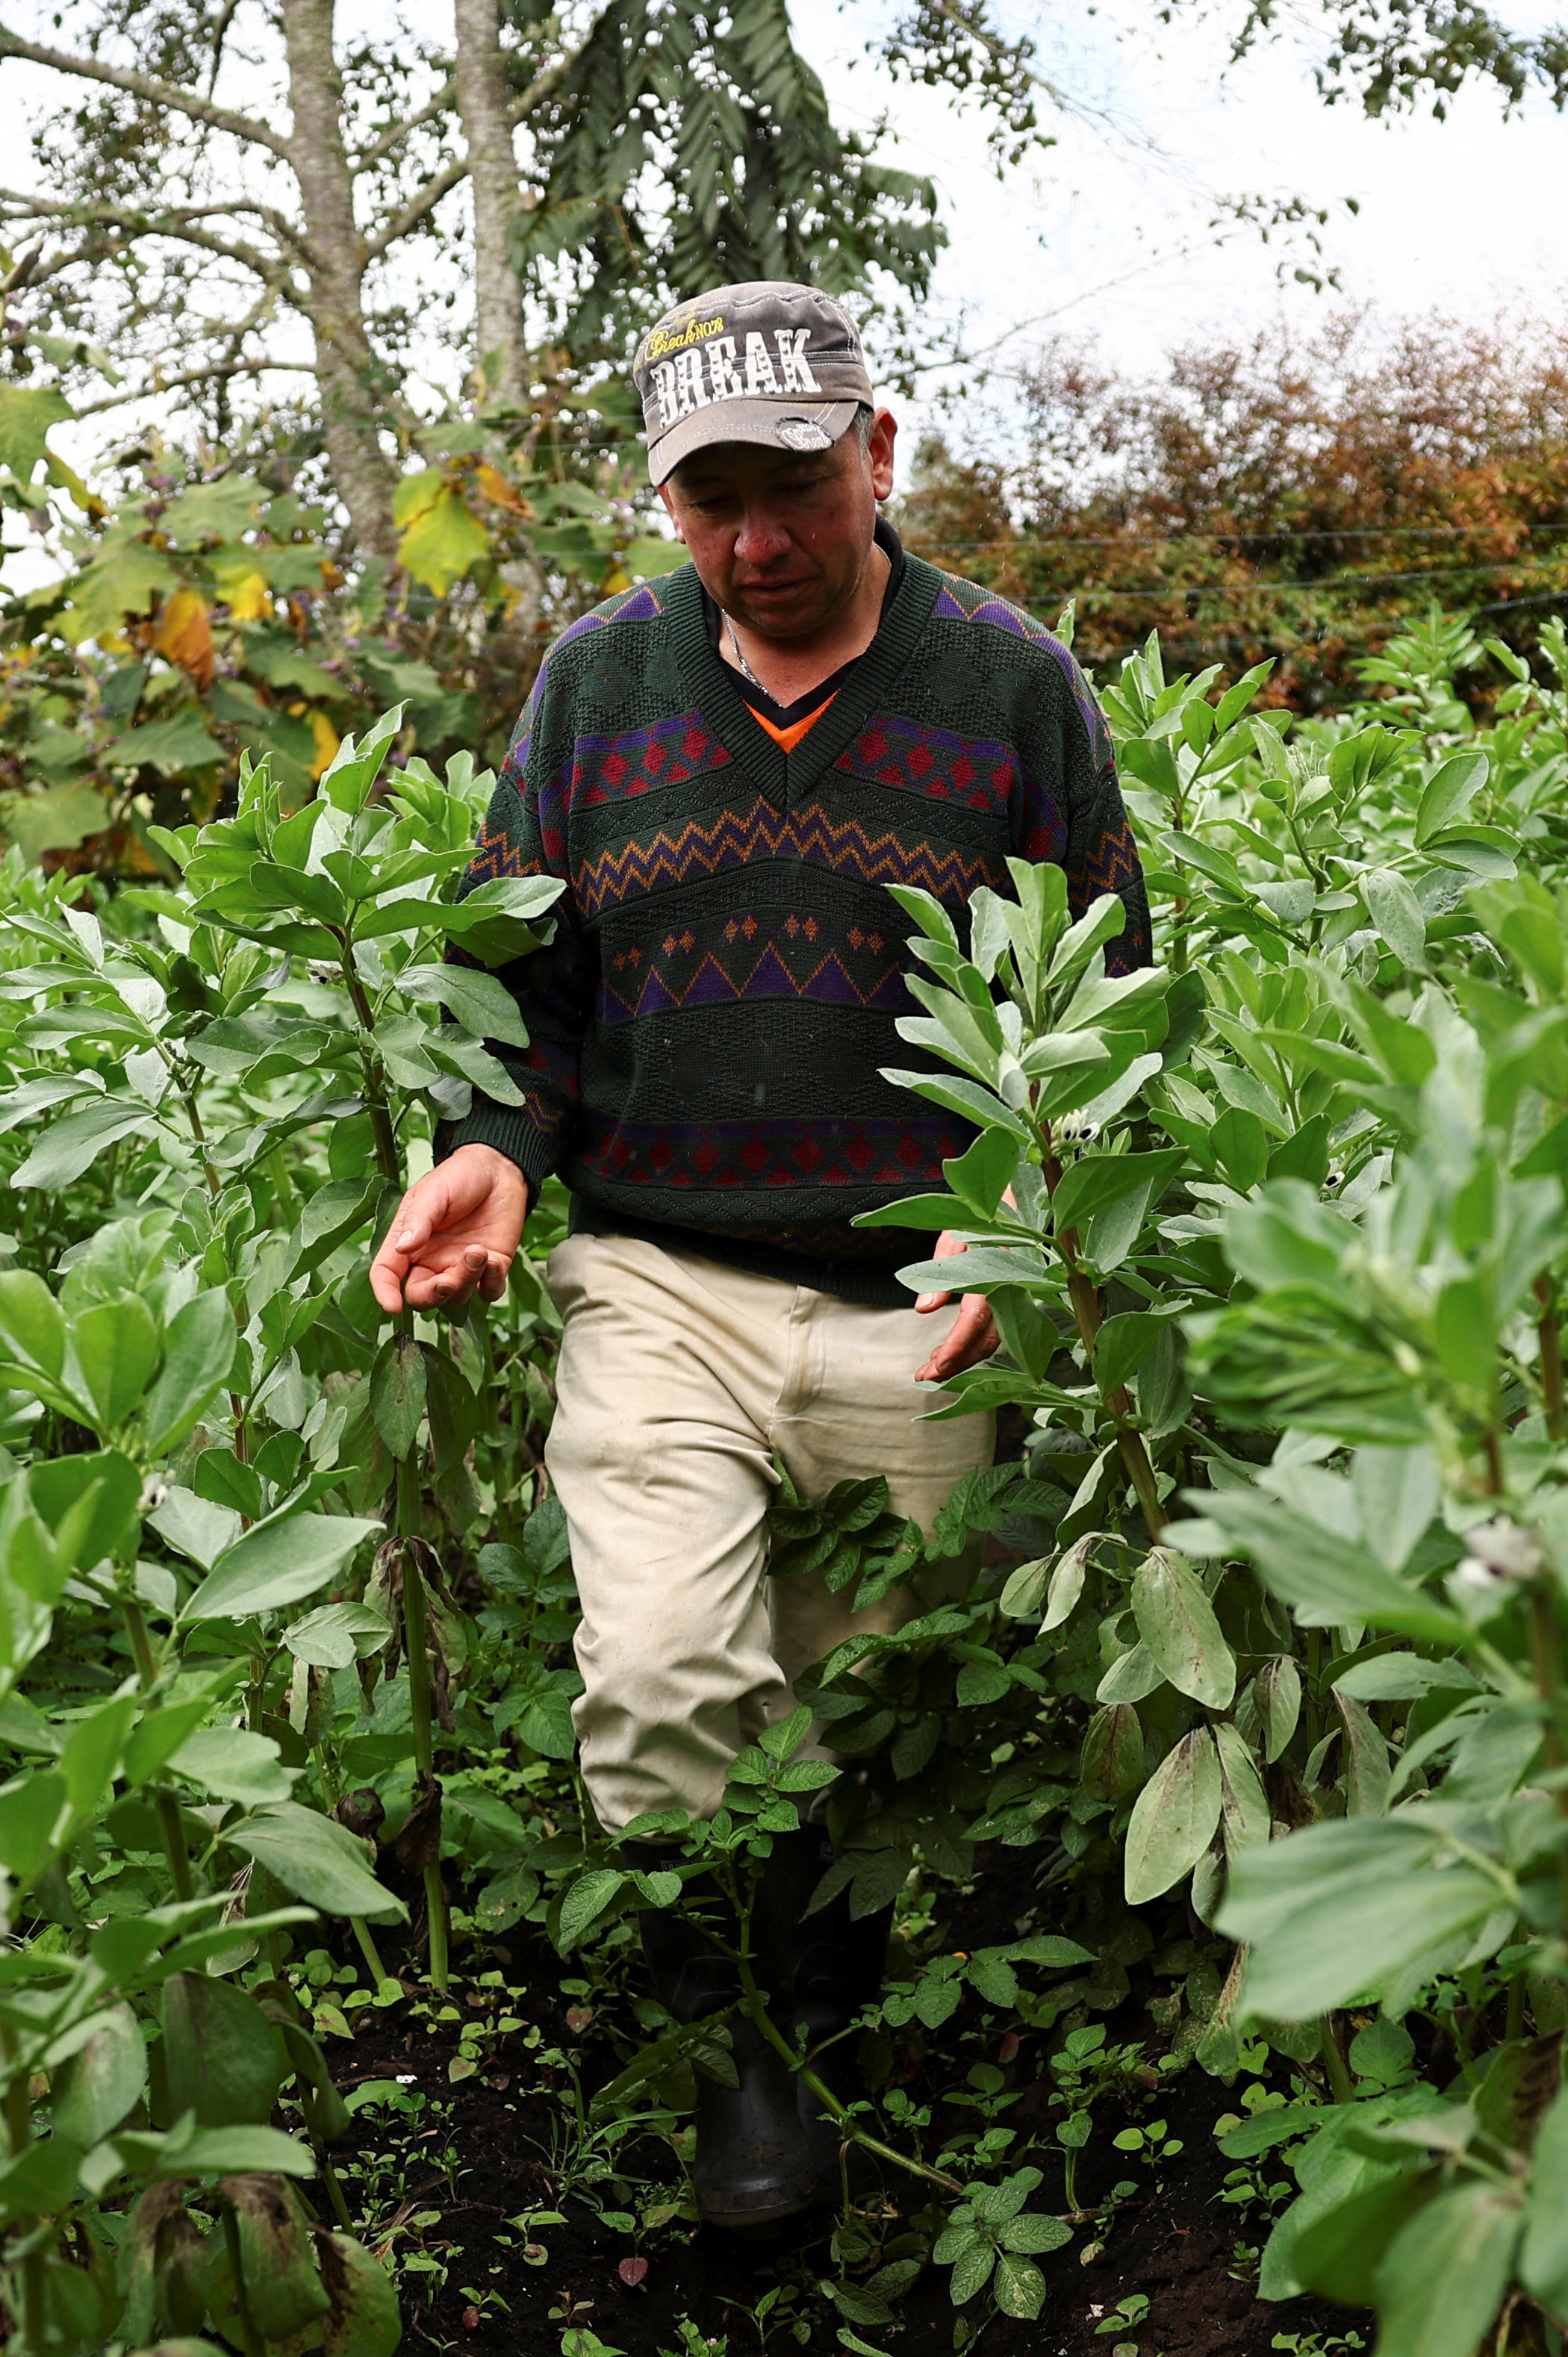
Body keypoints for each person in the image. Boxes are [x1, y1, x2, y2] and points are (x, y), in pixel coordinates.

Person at [364, 279, 1154, 2226]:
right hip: (660, 1277)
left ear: (876, 454)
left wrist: (1032, 1220)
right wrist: (485, 1152)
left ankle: (843, 2007)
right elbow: (510, 985)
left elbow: (1108, 996)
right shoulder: (594, 692)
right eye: (710, 494)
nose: (756, 540)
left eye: (792, 484)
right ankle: (746, 2064)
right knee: (659, 1678)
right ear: (665, 498)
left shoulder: (1011, 690)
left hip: (922, 1291)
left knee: (864, 1710)